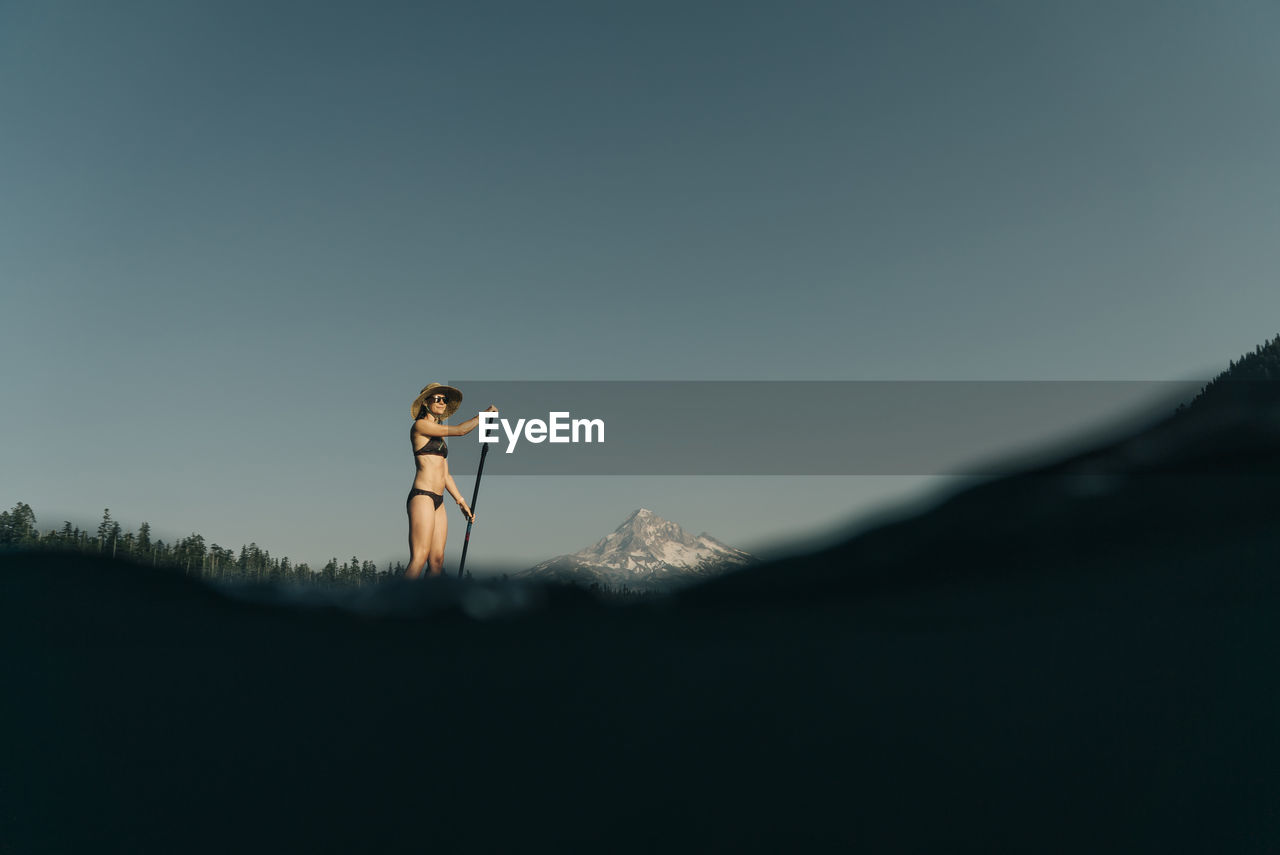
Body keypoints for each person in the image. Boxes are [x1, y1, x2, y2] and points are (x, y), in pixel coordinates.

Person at [406, 383, 497, 579]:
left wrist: (461, 502)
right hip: (422, 496)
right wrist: (483, 415)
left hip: (439, 501)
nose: (441, 402)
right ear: (425, 403)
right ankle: (393, 605)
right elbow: (461, 431)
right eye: (437, 399)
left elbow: (445, 475)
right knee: (419, 557)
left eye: (444, 400)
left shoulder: (440, 437)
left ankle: (428, 605)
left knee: (437, 562)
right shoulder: (420, 425)